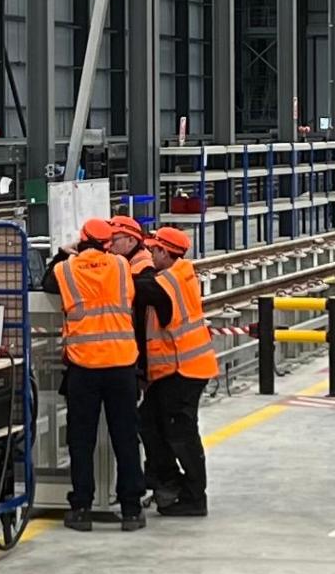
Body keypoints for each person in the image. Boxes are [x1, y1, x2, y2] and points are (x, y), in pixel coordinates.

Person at [48, 216, 150, 529]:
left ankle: (81, 509)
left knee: (82, 440)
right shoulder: (120, 266)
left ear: (81, 239)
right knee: (125, 438)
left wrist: (66, 253)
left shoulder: (65, 269)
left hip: (84, 366)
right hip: (121, 364)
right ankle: (131, 509)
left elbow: (46, 283)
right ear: (108, 243)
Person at [138, 225, 216, 517]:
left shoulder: (166, 283)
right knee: (148, 421)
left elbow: (136, 289)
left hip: (184, 369)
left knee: (181, 434)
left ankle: (194, 496)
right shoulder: (181, 273)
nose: (149, 254)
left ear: (164, 252)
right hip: (177, 368)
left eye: (153, 250)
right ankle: (169, 480)